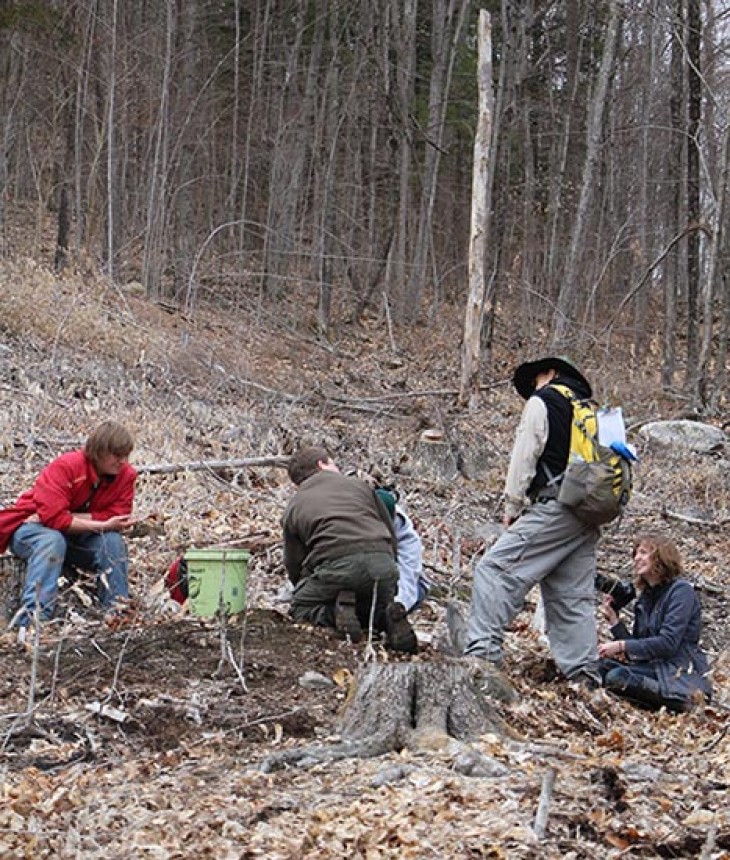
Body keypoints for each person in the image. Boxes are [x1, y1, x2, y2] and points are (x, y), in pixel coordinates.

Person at [464, 356, 601, 687]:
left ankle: (482, 657)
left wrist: (512, 504)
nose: (533, 388)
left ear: (550, 373)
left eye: (535, 380)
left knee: (494, 570)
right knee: (571, 596)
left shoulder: (544, 401)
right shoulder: (589, 411)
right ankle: (584, 677)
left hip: (555, 506)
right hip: (588, 513)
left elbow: (525, 452)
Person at [0, 421, 138, 630]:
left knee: (112, 541)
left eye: (125, 455)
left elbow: (118, 515)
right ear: (98, 451)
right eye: (116, 455)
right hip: (30, 531)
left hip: (75, 538)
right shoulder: (67, 466)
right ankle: (34, 621)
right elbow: (54, 519)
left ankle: (117, 615)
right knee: (52, 540)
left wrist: (77, 518)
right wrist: (100, 523)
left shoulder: (126, 475)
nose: (122, 462)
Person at [282, 446, 417, 653]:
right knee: (375, 603)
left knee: (301, 607)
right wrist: (390, 568)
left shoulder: (295, 505)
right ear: (322, 464)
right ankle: (386, 619)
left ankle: (333, 615)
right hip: (383, 564)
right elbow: (389, 530)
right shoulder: (360, 486)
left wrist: (304, 585)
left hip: (337, 568)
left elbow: (293, 561)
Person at [597, 535, 712, 712]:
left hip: (680, 678)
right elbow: (638, 651)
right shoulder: (645, 598)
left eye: (643, 552)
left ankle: (685, 704)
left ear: (661, 556)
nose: (637, 558)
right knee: (598, 667)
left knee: (618, 677)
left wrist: (620, 645)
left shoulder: (681, 591)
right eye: (636, 554)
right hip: (652, 669)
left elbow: (667, 643)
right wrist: (614, 622)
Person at [374, 488, 430, 612]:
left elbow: (408, 574)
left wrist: (399, 604)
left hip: (397, 581)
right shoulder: (354, 518)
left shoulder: (406, 536)